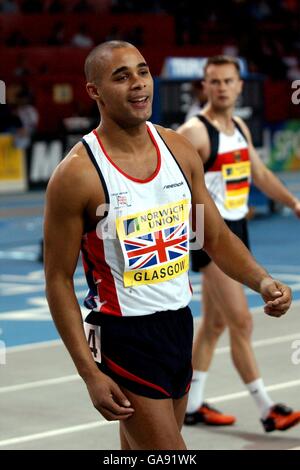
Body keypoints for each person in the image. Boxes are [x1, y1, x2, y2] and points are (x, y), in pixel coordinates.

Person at [44, 42, 292, 450]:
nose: (138, 84)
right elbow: (57, 280)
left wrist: (262, 281)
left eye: (142, 72)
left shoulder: (179, 150)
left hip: (178, 324)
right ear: (94, 92)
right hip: (124, 336)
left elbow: (215, 236)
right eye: (121, 76)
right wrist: (89, 372)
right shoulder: (77, 175)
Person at [177, 55, 300, 432]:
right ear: (205, 86)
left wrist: (293, 203)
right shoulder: (193, 133)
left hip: (237, 229)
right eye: (214, 81)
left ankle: (192, 405)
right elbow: (171, 184)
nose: (222, 88)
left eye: (228, 81)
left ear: (240, 85)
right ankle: (267, 409)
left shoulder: (240, 128)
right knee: (242, 322)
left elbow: (259, 173)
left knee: (214, 324)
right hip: (210, 235)